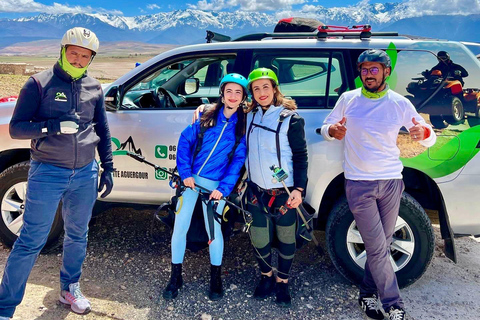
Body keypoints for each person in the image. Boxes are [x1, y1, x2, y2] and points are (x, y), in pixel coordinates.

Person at [0, 27, 114, 318]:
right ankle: (5, 306)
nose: (77, 60)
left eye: (84, 56)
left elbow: (102, 129)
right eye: (73, 53)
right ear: (63, 51)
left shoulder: (94, 87)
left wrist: (108, 167)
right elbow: (16, 128)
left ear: (91, 59)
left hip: (85, 173)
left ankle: (69, 288)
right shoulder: (38, 84)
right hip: (47, 172)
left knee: (78, 235)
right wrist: (49, 127)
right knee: (30, 240)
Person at [321, 49, 436, 320]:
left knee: (380, 246)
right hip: (359, 184)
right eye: (364, 69)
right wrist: (331, 131)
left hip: (392, 183)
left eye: (374, 69)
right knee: (376, 247)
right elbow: (327, 127)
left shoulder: (399, 103)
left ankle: (367, 295)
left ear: (386, 72)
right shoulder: (348, 99)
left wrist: (425, 133)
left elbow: (427, 137)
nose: (368, 74)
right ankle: (394, 305)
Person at [163, 73, 248, 301]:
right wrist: (186, 173)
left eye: (238, 92)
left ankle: (216, 279)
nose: (232, 96)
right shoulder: (206, 116)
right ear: (222, 93)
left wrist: (224, 189)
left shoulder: (242, 127)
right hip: (190, 184)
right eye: (229, 91)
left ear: (243, 97)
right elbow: (185, 141)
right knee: (180, 228)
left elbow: (237, 163)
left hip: (215, 189)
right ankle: (175, 277)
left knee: (214, 233)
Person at [245, 68, 308, 307]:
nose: (261, 93)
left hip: (284, 193)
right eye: (256, 88)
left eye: (265, 87)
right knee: (259, 238)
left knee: (286, 238)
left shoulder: (290, 118)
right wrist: (202, 109)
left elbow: (301, 156)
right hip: (256, 192)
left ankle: (283, 281)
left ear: (275, 88)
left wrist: (299, 190)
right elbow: (224, 109)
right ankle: (266, 277)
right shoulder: (249, 116)